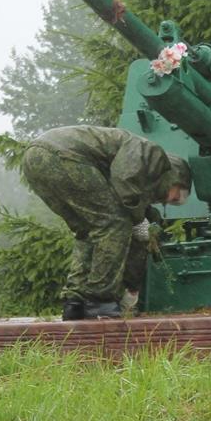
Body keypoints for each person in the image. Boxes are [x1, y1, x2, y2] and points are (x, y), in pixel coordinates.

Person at [21, 125, 192, 320]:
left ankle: (75, 301)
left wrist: (142, 219)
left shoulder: (143, 175)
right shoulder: (151, 154)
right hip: (61, 154)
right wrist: (138, 220)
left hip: (35, 159)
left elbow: (127, 192)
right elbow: (124, 182)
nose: (171, 200)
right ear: (174, 176)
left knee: (87, 230)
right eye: (178, 193)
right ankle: (101, 301)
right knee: (114, 223)